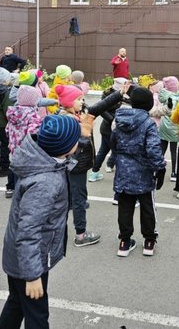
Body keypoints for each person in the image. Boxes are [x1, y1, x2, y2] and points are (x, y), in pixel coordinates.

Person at [0, 115, 81, 328]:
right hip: (29, 262)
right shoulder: (46, 182)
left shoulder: (43, 158)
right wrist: (32, 275)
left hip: (22, 258)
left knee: (16, 303)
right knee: (37, 316)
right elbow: (28, 231)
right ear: (67, 147)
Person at [111, 87, 166, 257]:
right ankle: (149, 241)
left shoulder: (119, 120)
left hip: (123, 171)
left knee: (125, 207)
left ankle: (124, 241)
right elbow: (153, 149)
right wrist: (160, 168)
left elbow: (113, 143)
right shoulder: (148, 123)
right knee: (147, 206)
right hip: (144, 172)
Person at [56, 85, 100, 247]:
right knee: (78, 198)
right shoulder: (71, 121)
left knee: (69, 197)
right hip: (76, 165)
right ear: (69, 102)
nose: (83, 102)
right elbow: (81, 142)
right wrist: (87, 123)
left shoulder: (70, 116)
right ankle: (81, 235)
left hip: (71, 165)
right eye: (79, 99)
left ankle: (58, 231)